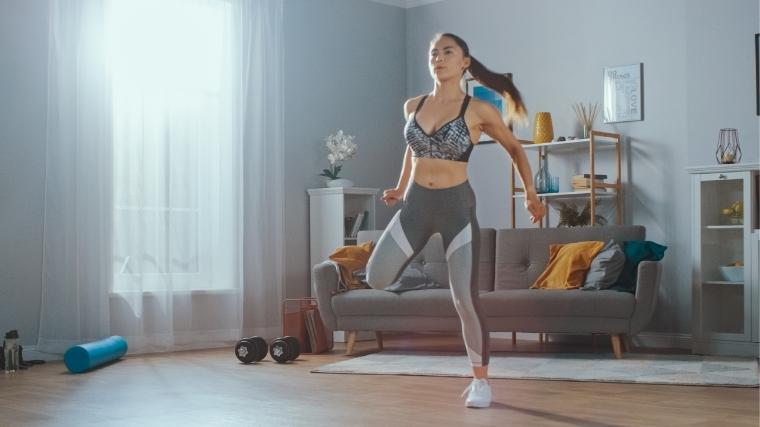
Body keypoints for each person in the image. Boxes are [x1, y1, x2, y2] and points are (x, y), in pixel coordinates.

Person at [364, 32, 545, 408]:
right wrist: (399, 189)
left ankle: (480, 381)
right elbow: (411, 150)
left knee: (464, 298)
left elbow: (515, 148)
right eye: (434, 53)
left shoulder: (477, 110)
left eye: (448, 52)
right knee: (376, 276)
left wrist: (530, 191)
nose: (439, 57)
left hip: (456, 209)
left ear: (464, 62)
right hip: (415, 205)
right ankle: (419, 269)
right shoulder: (413, 105)